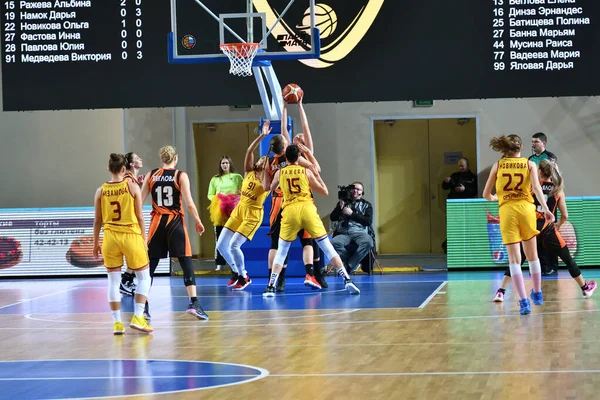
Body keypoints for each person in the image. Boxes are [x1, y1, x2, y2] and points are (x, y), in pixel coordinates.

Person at [263, 144, 360, 297]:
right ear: (298, 158)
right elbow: (323, 191)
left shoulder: (280, 172)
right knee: (327, 248)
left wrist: (268, 173)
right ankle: (347, 280)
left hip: (290, 211)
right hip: (307, 209)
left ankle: (271, 286)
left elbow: (268, 188)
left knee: (281, 252)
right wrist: (315, 174)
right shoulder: (306, 171)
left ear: (286, 158)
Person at [493, 159, 596, 301]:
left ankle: (501, 292)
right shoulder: (557, 189)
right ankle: (585, 289)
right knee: (567, 259)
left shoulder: (530, 186)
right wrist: (557, 225)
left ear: (539, 171)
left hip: (530, 228)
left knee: (517, 260)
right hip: (548, 230)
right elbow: (565, 215)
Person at [482, 134, 554, 315]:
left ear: (505, 149)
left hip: (507, 211)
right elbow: (537, 189)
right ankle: (537, 293)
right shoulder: (530, 164)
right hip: (527, 209)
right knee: (533, 256)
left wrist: (495, 197)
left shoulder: (497, 165)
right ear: (520, 146)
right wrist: (545, 209)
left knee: (514, 261)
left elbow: (486, 195)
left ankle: (523, 302)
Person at [140, 145, 209, 321]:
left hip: (157, 224)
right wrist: (199, 221)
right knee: (186, 261)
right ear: (175, 158)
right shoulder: (180, 175)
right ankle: (194, 303)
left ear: (162, 159)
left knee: (150, 267)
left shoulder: (151, 175)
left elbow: (139, 202)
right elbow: (190, 203)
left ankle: (143, 307)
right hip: (175, 223)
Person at [92, 153, 153, 335]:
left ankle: (117, 323)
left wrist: (96, 242)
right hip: (131, 234)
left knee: (113, 281)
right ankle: (138, 316)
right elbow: (140, 217)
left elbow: (97, 220)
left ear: (108, 169)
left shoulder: (100, 190)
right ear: (124, 169)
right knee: (144, 278)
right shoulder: (131, 186)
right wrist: (143, 238)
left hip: (110, 236)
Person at [215, 121, 272, 290]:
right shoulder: (249, 171)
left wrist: (268, 164)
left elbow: (267, 186)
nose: (261, 160)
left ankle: (244, 277)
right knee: (221, 245)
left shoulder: (266, 179)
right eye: (261, 158)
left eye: (264, 160)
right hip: (239, 209)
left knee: (233, 245)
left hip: (253, 215)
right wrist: (262, 136)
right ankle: (237, 272)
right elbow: (249, 151)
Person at [207, 156, 243, 272]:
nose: (225, 165)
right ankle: (220, 263)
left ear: (230, 164)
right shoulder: (215, 179)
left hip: (233, 209)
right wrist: (219, 200)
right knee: (219, 236)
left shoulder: (237, 177)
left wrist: (236, 197)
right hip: (219, 210)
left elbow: (242, 191)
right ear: (220, 165)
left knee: (233, 238)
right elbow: (210, 194)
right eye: (223, 163)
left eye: (227, 163)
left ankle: (235, 264)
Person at [529, 132, 558, 275]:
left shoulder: (551, 157)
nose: (533, 144)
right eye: (532, 142)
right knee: (537, 236)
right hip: (534, 202)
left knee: (550, 235)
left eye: (536, 142)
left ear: (543, 143)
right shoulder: (530, 159)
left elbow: (555, 176)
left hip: (549, 199)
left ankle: (552, 265)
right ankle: (540, 266)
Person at [330, 182, 374, 274]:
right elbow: (333, 218)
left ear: (362, 192)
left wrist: (352, 214)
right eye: (353, 188)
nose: (355, 190)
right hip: (343, 232)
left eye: (358, 189)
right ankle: (354, 262)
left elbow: (368, 221)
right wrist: (339, 208)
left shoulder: (366, 205)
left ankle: (349, 266)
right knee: (333, 243)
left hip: (360, 232)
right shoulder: (343, 202)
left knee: (369, 242)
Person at [120, 152, 144, 297]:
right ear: (131, 164)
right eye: (137, 158)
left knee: (135, 254)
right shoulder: (128, 180)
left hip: (129, 222)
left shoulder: (132, 180)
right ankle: (125, 281)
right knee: (136, 254)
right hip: (129, 223)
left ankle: (126, 280)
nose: (140, 159)